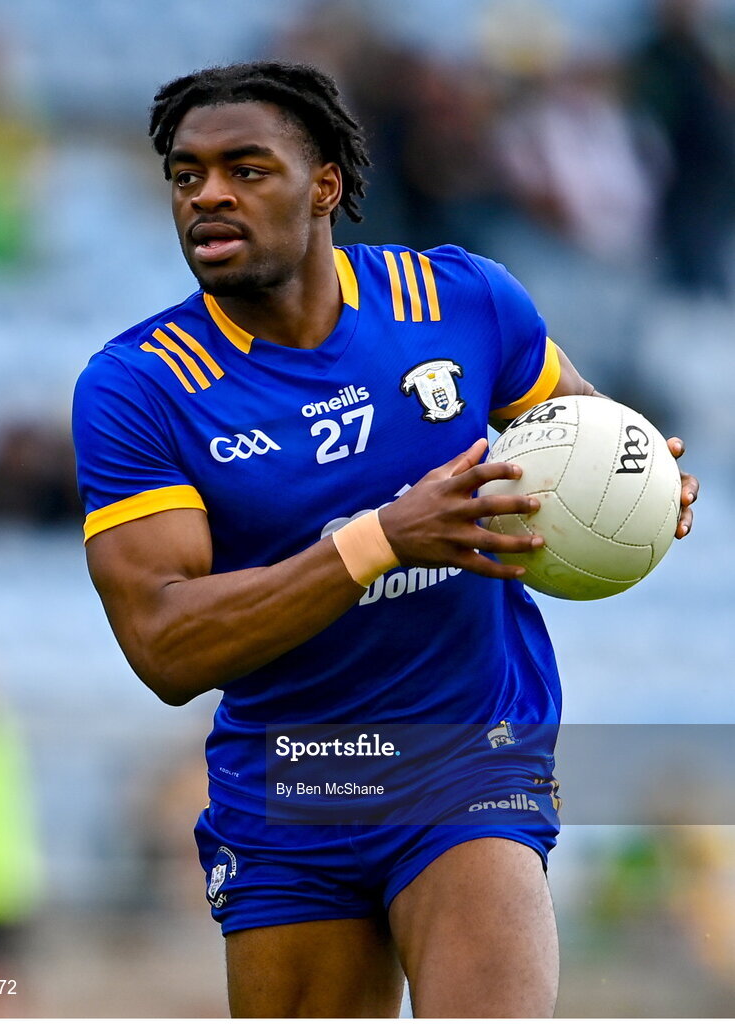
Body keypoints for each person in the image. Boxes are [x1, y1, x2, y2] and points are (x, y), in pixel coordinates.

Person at [72, 61, 698, 1017]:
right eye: (186, 175)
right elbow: (164, 644)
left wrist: (644, 484)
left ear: (325, 183)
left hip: (468, 758)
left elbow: (582, 433)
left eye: (247, 168)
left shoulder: (462, 302)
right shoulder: (139, 388)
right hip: (291, 789)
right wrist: (382, 541)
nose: (209, 195)